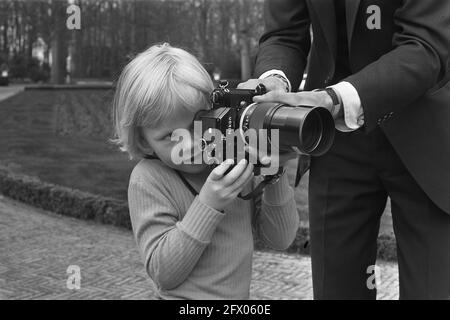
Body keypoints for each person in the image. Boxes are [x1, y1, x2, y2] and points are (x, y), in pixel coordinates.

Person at [239, 0, 450, 299]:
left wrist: (335, 99)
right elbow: (284, 34)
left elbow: (425, 44)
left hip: (426, 131)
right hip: (331, 138)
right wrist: (274, 80)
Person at [112, 43, 299, 299]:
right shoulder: (148, 179)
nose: (188, 144)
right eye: (169, 136)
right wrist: (210, 203)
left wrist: (274, 175)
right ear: (144, 141)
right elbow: (163, 273)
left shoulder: (232, 156)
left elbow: (281, 239)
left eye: (196, 124)